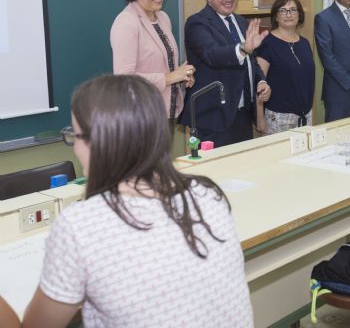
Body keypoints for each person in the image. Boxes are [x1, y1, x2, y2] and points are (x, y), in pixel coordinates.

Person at [2, 75, 252, 327]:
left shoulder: (81, 226)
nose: (75, 148)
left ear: (99, 143)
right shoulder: (207, 194)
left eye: (75, 137)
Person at [180, 0, 271, 147]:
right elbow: (213, 54)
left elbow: (251, 61)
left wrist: (261, 81)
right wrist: (244, 48)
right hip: (213, 118)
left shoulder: (241, 22)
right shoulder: (197, 23)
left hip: (243, 115)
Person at [110, 0, 195, 121]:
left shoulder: (163, 18)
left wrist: (181, 75)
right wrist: (169, 78)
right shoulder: (126, 22)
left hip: (167, 111)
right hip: (141, 117)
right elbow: (124, 79)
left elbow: (160, 63)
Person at [255, 0, 314, 134]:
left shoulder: (305, 43)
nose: (289, 14)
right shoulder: (267, 43)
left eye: (293, 10)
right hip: (279, 118)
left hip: (305, 115)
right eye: (283, 10)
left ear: (299, 15)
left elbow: (308, 83)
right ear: (276, 16)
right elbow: (258, 84)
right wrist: (260, 118)